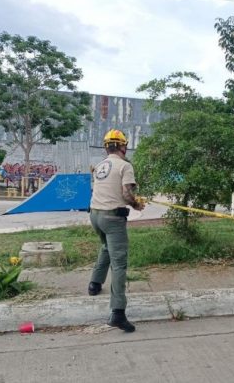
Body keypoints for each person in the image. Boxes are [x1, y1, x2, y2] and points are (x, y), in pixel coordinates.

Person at [88, 129, 145, 333]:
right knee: (119, 263)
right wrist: (137, 205)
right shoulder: (125, 166)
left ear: (106, 147)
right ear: (123, 146)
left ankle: (94, 284)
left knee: (106, 247)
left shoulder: (100, 166)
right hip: (113, 218)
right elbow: (126, 194)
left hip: (95, 215)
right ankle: (118, 313)